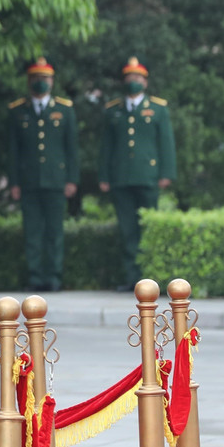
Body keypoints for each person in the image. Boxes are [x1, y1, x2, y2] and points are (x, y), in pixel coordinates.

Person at [98, 57, 176, 292]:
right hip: (121, 177)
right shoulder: (114, 110)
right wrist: (104, 176)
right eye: (130, 77)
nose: (134, 81)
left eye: (138, 77)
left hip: (148, 176)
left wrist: (166, 173)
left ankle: (150, 279)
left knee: (148, 227)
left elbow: (166, 144)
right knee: (128, 230)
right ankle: (133, 278)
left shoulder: (158, 108)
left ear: (145, 81)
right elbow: (106, 147)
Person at [8, 58, 78, 292]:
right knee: (33, 232)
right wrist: (14, 182)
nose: (41, 82)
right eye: (36, 78)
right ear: (29, 81)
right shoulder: (18, 110)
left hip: (56, 181)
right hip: (29, 181)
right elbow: (13, 151)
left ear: (52, 81)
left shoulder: (64, 110)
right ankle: (36, 276)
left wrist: (71, 179)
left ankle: (54, 277)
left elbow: (71, 149)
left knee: (54, 232)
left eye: (45, 78)